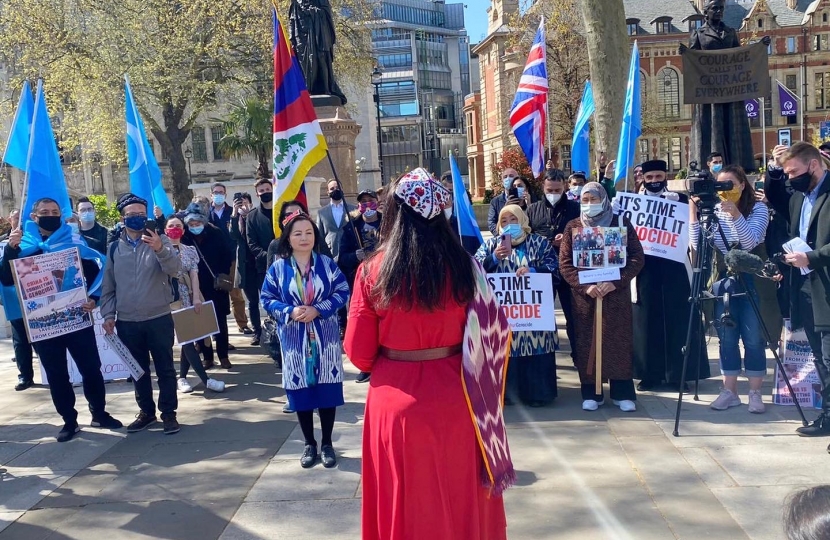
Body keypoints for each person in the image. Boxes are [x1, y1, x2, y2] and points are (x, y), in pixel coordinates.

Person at [344, 168, 513, 539]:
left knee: (405, 499)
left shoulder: (372, 271)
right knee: (462, 492)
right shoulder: (466, 267)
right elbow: (493, 332)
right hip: (460, 399)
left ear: (395, 212)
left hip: (396, 400)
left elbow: (358, 354)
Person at [0, 198, 122, 441]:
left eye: (55, 212)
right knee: (57, 375)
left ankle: (99, 413)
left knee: (91, 368)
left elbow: (99, 271)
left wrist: (93, 298)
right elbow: (5, 279)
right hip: (43, 324)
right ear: (34, 217)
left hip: (76, 317)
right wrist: (11, 250)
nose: (50, 215)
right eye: (44, 212)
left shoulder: (75, 242)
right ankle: (69, 421)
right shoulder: (19, 245)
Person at [261, 210, 349, 468]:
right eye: (298, 233)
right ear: (288, 238)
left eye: (308, 232)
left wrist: (319, 309)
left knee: (326, 392)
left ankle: (328, 443)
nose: (304, 238)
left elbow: (342, 291)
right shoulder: (278, 269)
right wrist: (290, 311)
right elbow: (266, 298)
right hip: (294, 339)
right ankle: (309, 443)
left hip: (326, 338)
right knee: (300, 393)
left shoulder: (326, 264)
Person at [689, 165, 769, 413]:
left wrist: (735, 214)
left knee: (754, 339)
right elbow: (697, 244)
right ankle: (730, 391)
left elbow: (749, 242)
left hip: (752, 278)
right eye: (719, 186)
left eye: (729, 185)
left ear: (743, 184)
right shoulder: (714, 211)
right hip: (724, 280)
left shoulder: (759, 209)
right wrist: (694, 214)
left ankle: (755, 392)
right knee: (727, 338)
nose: (724, 191)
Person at [100, 193, 182, 435]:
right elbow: (108, 286)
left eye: (140, 214)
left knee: (165, 368)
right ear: (122, 218)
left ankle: (168, 413)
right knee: (138, 369)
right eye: (131, 215)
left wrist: (160, 249)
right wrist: (108, 315)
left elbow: (175, 270)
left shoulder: (161, 241)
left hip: (158, 317)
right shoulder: (115, 248)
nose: (136, 219)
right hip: (127, 321)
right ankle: (146, 412)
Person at [559, 183, 645, 411]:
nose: (589, 205)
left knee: (618, 341)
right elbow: (565, 264)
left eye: (593, 199)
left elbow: (637, 257)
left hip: (615, 296)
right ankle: (592, 392)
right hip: (585, 297)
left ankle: (622, 391)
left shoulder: (620, 223)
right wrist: (584, 286)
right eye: (585, 200)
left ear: (604, 200)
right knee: (587, 342)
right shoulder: (573, 226)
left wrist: (615, 282)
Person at [630, 160, 710, 391]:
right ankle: (650, 374)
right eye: (649, 178)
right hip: (645, 268)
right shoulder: (635, 204)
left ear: (666, 176)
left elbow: (694, 234)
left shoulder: (682, 202)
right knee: (647, 320)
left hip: (675, 266)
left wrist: (689, 207)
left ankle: (679, 374)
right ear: (642, 179)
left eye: (658, 176)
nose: (654, 181)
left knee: (678, 319)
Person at [475, 204, 559, 406]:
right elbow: (474, 269)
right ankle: (507, 394)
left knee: (536, 350)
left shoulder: (539, 243)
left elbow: (554, 268)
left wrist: (533, 270)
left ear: (522, 220)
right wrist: (494, 258)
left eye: (513, 220)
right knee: (506, 350)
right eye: (504, 221)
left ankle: (538, 395)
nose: (508, 224)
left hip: (533, 315)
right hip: (504, 314)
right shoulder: (491, 244)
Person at [778, 143, 830, 440]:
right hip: (805, 287)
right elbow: (795, 236)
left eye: (794, 171)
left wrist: (811, 258)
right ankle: (828, 415)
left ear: (813, 165)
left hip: (827, 284)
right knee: (821, 359)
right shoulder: (798, 198)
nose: (790, 178)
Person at [165, 215, 225, 394]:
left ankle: (182, 378)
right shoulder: (160, 250)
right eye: (171, 226)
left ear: (183, 230)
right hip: (169, 299)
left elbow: (194, 275)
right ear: (165, 230)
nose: (174, 228)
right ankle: (206, 380)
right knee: (186, 339)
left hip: (187, 295)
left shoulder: (190, 250)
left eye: (178, 226)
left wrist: (197, 297)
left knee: (188, 338)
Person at [527, 169, 581, 361]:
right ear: (543, 187)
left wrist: (567, 239)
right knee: (542, 317)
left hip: (569, 269)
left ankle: (578, 356)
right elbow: (527, 235)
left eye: (557, 190)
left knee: (574, 316)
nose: (553, 193)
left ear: (565, 187)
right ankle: (545, 359)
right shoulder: (533, 209)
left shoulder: (576, 208)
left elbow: (585, 236)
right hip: (542, 272)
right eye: (550, 189)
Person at [181, 203, 235, 370]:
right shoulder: (185, 238)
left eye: (198, 223)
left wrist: (222, 274)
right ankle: (207, 357)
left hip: (216, 284)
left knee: (220, 322)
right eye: (191, 224)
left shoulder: (216, 233)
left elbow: (228, 256)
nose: (195, 227)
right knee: (201, 322)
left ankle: (223, 355)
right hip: (196, 286)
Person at [339, 189, 382, 384]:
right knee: (364, 323)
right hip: (361, 282)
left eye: (370, 200)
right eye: (363, 201)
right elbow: (342, 257)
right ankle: (365, 366)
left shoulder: (389, 222)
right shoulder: (351, 227)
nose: (367, 204)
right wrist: (354, 257)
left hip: (385, 279)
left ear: (377, 201)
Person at [230, 193, 262, 345]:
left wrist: (250, 214)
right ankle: (257, 332)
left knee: (269, 299)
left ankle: (273, 327)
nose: (242, 205)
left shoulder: (257, 216)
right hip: (246, 266)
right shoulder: (236, 219)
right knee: (253, 302)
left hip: (261, 265)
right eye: (239, 203)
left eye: (245, 202)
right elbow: (234, 235)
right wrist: (235, 214)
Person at [246, 177, 276, 302]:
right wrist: (270, 257)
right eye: (261, 191)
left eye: (268, 189)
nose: (265, 192)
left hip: (288, 264)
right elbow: (252, 243)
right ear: (257, 194)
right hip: (263, 268)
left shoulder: (283, 211)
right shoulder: (252, 216)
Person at [440, 170, 481, 255]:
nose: (451, 196)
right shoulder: (437, 210)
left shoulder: (464, 198)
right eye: (449, 191)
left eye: (455, 192)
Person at [317, 179, 354, 262]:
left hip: (349, 255)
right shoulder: (321, 213)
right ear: (328, 192)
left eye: (338, 187)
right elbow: (320, 237)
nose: (335, 190)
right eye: (332, 188)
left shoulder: (353, 209)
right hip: (330, 255)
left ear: (342, 189)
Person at [487, 167, 519, 235]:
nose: (508, 179)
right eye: (505, 177)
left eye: (511, 176)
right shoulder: (495, 202)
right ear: (502, 182)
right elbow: (491, 223)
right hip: (504, 238)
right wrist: (501, 235)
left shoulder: (526, 197)